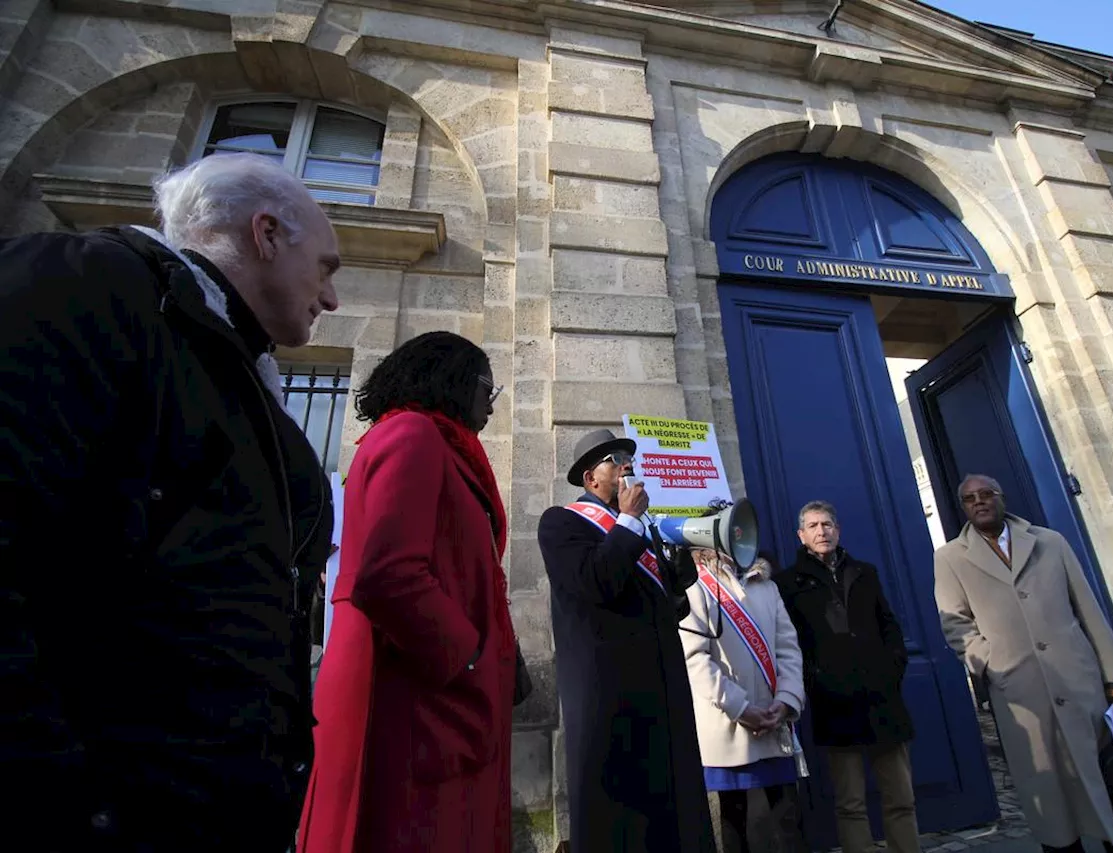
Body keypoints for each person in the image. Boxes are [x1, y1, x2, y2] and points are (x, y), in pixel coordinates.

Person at [0, 152, 340, 851]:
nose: (331, 297)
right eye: (327, 266)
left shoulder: (240, 368)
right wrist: (63, 804)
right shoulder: (81, 285)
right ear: (266, 233)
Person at [298, 331, 516, 853]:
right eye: (488, 387)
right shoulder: (413, 435)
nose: (491, 404)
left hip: (426, 684)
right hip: (409, 688)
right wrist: (470, 661)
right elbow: (392, 574)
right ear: (453, 380)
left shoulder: (434, 442)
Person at [934, 475, 1113, 853]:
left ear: (1001, 497)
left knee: (1108, 783)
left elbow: (1089, 611)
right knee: (1049, 797)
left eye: (986, 495)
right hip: (1019, 693)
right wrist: (990, 662)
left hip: (1078, 682)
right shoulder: (949, 558)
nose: (979, 502)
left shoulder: (1050, 542)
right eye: (969, 499)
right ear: (962, 507)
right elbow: (955, 622)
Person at [538, 429, 715, 852]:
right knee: (620, 819)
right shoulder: (561, 522)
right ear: (590, 478)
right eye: (615, 460)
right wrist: (631, 520)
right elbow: (595, 583)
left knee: (674, 813)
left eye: (629, 460)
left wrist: (679, 574)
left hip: (661, 688)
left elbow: (669, 609)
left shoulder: (640, 531)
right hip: (611, 695)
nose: (627, 467)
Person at [777, 501, 921, 853]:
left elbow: (888, 625)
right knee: (851, 803)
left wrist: (893, 667)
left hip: (881, 698)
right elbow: (789, 641)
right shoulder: (788, 583)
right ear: (801, 535)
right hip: (834, 702)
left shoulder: (864, 572)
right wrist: (815, 679)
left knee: (900, 798)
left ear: (837, 530)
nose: (821, 531)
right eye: (812, 526)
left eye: (827, 524)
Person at [680, 536, 808, 853]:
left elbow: (788, 649)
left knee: (787, 821)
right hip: (730, 725)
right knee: (735, 825)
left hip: (773, 721)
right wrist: (740, 708)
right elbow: (695, 659)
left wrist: (787, 701)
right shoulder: (694, 587)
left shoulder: (766, 585)